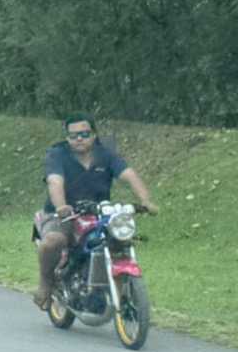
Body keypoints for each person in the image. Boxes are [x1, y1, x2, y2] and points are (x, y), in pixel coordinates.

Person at [34, 114, 156, 309]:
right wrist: (61, 206)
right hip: (63, 214)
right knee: (53, 241)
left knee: (119, 240)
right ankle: (45, 283)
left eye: (84, 134)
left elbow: (129, 175)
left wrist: (145, 201)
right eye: (73, 135)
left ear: (94, 134)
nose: (79, 139)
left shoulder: (106, 155)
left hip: (98, 213)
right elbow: (55, 181)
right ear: (67, 138)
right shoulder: (57, 154)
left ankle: (114, 294)